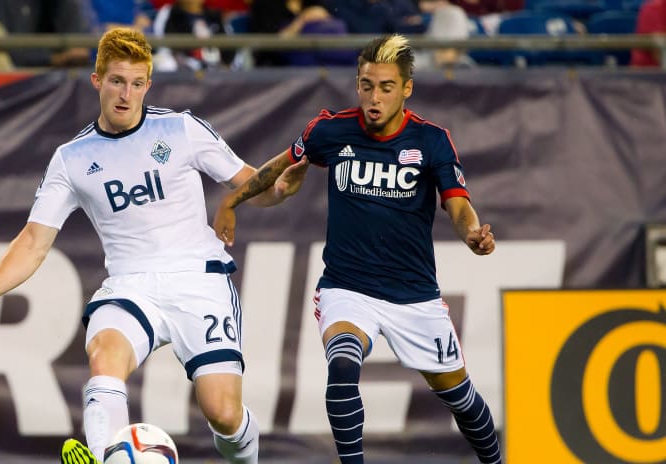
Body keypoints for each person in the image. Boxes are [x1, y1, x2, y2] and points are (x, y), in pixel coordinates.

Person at [0, 27, 302, 464]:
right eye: (117, 81)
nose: (126, 94)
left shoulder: (181, 130)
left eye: (137, 83)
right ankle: (103, 455)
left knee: (224, 414)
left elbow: (252, 185)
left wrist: (280, 188)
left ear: (148, 85)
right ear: (97, 80)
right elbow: (34, 242)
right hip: (130, 284)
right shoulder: (72, 159)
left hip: (198, 279)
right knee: (105, 354)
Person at [213, 34, 502, 464]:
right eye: (366, 85)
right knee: (342, 371)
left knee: (461, 398)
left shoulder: (431, 141)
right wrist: (233, 201)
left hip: (413, 295)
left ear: (406, 89)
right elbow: (281, 166)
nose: (373, 97)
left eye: (386, 87)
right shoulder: (329, 130)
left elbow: (458, 206)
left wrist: (473, 234)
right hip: (348, 288)